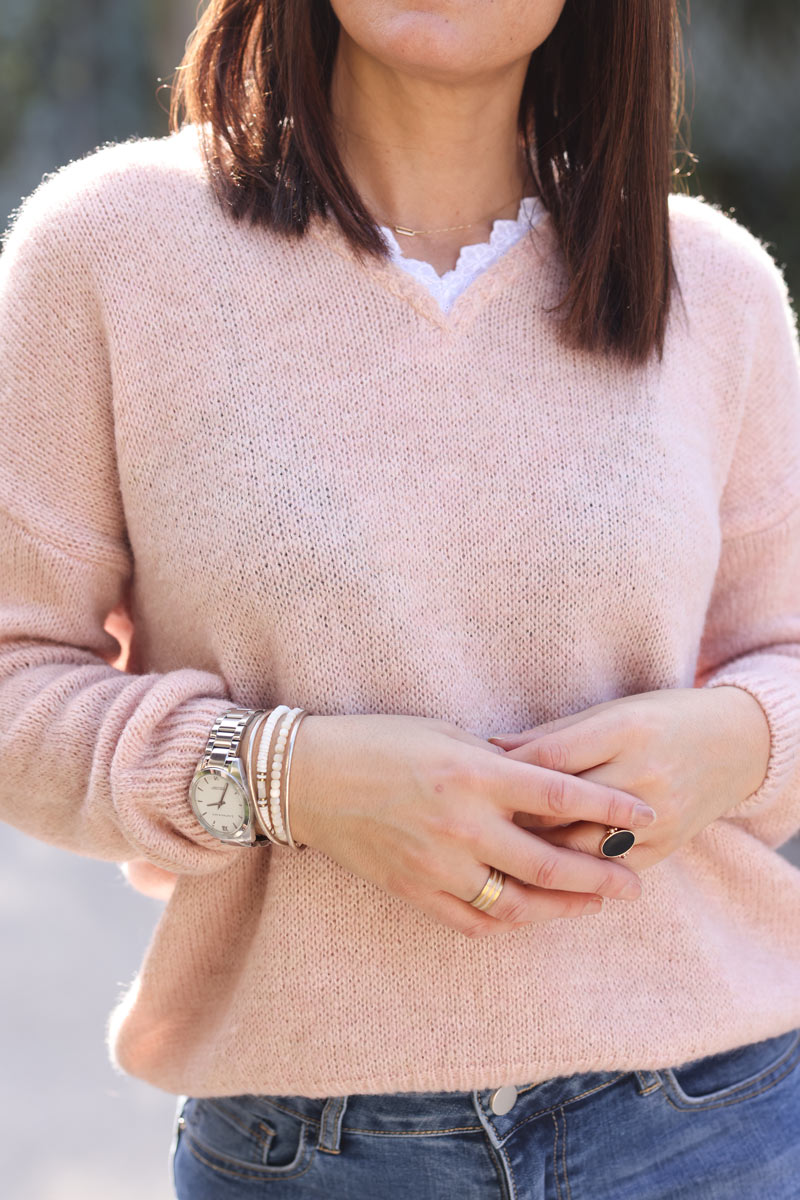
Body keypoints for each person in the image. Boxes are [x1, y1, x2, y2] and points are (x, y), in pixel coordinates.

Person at [1, 1, 799, 1196]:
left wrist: (734, 742)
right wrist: (285, 778)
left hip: (711, 1119)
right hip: (305, 1150)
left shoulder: (715, 286)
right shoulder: (111, 248)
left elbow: (781, 656)